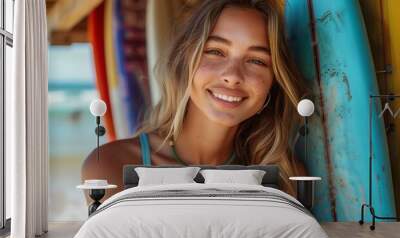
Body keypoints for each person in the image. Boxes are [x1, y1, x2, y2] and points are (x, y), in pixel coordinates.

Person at [82, 0, 307, 204]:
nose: (233, 75)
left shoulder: (287, 178)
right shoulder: (111, 165)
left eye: (256, 60)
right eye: (216, 51)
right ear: (184, 60)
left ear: (273, 82)